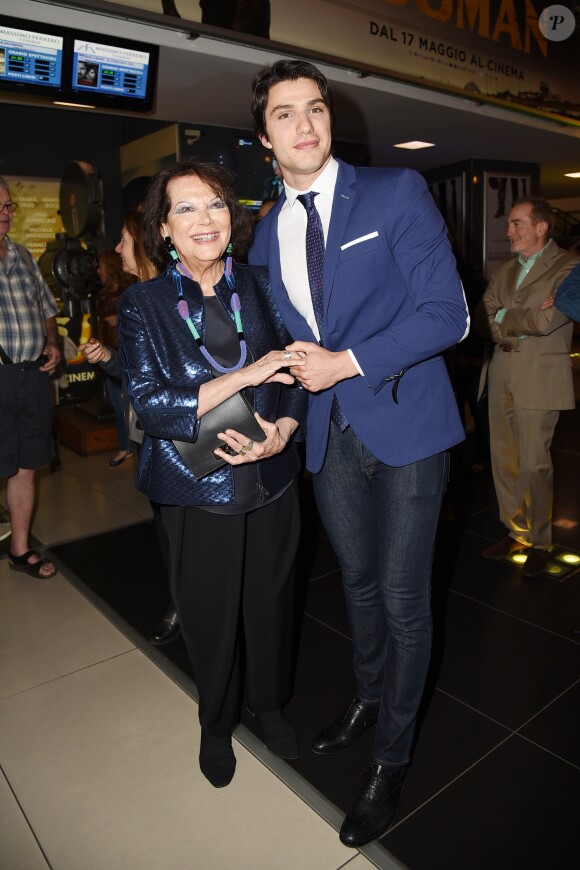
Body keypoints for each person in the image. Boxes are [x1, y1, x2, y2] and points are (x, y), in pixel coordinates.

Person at [248, 60, 468, 847]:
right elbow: (285, 347)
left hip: (408, 425)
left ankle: (390, 757)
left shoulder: (394, 193)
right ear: (266, 136)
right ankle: (370, 695)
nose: (305, 124)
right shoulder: (267, 230)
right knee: (360, 584)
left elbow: (449, 314)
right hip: (328, 435)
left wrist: (349, 362)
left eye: (315, 108)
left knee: (406, 600)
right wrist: (283, 420)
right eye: (285, 114)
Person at [117, 159, 307, 788]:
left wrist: (285, 427)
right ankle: (215, 721)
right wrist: (245, 378)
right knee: (210, 613)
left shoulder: (260, 286)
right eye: (187, 208)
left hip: (270, 475)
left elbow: (296, 368)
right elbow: (151, 403)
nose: (206, 219)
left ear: (234, 218)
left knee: (272, 601)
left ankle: (271, 703)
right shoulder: (143, 302)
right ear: (163, 228)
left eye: (218, 205)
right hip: (195, 488)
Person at [82, 209, 179, 647]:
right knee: (166, 529)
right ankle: (183, 601)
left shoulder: (170, 296)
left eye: (122, 239)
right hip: (147, 433)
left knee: (182, 531)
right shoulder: (135, 298)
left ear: (141, 243)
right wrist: (108, 359)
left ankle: (192, 608)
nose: (117, 248)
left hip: (177, 434)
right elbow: (137, 374)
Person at [475, 198, 579, 578]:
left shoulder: (570, 266)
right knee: (504, 459)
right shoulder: (503, 271)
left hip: (540, 376)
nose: (509, 231)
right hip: (500, 371)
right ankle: (515, 531)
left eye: (517, 223)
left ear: (541, 227)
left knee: (535, 463)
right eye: (509, 225)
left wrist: (506, 317)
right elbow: (486, 314)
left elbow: (548, 319)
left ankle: (540, 540)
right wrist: (511, 319)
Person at [0, 176, 61, 578]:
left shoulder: (22, 255)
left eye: (8, 206)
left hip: (31, 377)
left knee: (26, 465)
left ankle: (19, 550)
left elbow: (47, 308)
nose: (5, 214)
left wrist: (53, 342)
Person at [94, 249, 136, 468]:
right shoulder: (103, 293)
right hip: (108, 351)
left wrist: (118, 318)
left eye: (101, 265)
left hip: (124, 351)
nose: (98, 270)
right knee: (116, 402)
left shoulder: (128, 290)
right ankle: (126, 445)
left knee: (124, 404)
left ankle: (127, 447)